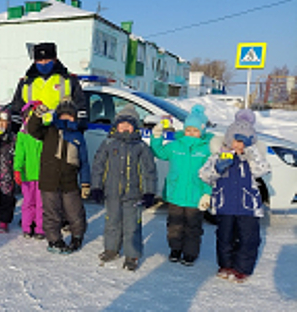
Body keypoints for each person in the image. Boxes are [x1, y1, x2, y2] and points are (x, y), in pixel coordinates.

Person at [199, 109, 271, 283]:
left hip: (248, 207)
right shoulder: (219, 156)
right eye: (236, 141)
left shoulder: (252, 159)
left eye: (243, 142)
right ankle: (226, 265)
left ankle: (242, 268)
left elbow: (263, 169)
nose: (238, 146)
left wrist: (251, 151)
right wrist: (218, 167)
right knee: (225, 237)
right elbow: (204, 174)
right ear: (229, 140)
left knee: (248, 238)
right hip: (225, 205)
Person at [90, 104, 157, 270]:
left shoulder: (141, 147)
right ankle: (111, 249)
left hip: (133, 195)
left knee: (132, 226)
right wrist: (96, 187)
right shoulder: (108, 144)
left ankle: (132, 255)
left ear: (135, 126)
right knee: (112, 222)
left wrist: (149, 192)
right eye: (122, 123)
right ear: (116, 125)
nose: (125, 127)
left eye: (130, 124)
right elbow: (99, 166)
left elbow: (148, 171)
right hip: (111, 193)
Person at [150, 104, 213, 266]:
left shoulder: (207, 150)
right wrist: (157, 135)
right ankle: (175, 249)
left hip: (196, 196)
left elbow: (212, 173)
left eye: (195, 130)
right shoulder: (176, 146)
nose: (191, 133)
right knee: (174, 225)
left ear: (202, 132)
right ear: (184, 130)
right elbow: (159, 152)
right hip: (175, 194)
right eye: (188, 130)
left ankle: (190, 253)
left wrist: (207, 193)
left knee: (193, 227)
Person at [27, 99, 90, 254]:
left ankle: (77, 236)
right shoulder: (49, 131)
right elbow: (32, 129)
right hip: (49, 181)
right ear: (57, 116)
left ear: (75, 118)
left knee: (75, 212)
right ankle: (54, 240)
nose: (66, 119)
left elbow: (84, 162)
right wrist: (37, 115)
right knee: (51, 213)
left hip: (70, 182)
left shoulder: (78, 136)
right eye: (63, 116)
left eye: (70, 116)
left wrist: (86, 183)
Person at [10, 43, 88, 132]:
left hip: (60, 131)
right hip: (32, 132)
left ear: (54, 60)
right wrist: (14, 130)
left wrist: (80, 126)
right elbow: (17, 108)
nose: (43, 63)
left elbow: (80, 105)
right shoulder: (26, 82)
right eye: (40, 60)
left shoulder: (68, 79)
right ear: (35, 62)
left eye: (47, 60)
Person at [14, 102, 45, 239]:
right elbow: (19, 154)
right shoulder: (22, 135)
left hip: (42, 175)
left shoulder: (43, 135)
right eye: (28, 118)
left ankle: (40, 228)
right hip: (27, 175)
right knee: (28, 203)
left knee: (41, 204)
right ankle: (27, 226)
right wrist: (17, 169)